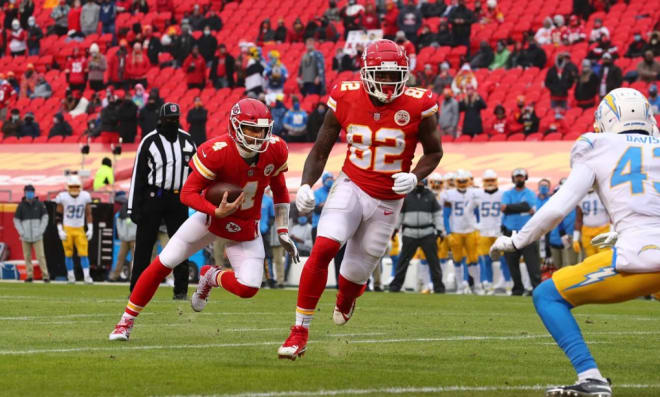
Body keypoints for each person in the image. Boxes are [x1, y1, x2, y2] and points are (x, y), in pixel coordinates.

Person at [278, 39, 442, 360]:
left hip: (388, 199)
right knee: (324, 246)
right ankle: (299, 331)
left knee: (353, 275)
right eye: (381, 75)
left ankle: (347, 296)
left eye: (395, 77)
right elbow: (322, 147)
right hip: (351, 183)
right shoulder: (346, 95)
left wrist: (416, 176)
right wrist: (307, 185)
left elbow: (434, 151)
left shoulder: (419, 104)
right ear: (366, 73)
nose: (388, 83)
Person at [491, 87, 660, 397]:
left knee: (547, 295)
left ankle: (590, 377)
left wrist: (517, 241)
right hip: (644, 244)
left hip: (643, 255)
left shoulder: (597, 144)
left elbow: (557, 207)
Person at [109, 98, 298, 341]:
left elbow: (281, 190)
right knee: (162, 263)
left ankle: (211, 276)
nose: (258, 135)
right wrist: (214, 211)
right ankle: (125, 322)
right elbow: (188, 193)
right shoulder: (216, 151)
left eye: (263, 129)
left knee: (249, 288)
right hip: (210, 219)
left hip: (246, 225)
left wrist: (283, 230)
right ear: (235, 127)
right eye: (251, 129)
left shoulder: (275, 149)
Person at [124, 103, 197, 301]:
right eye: (169, 119)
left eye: (176, 119)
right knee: (144, 247)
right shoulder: (149, 141)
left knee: (182, 244)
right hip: (153, 197)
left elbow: (197, 173)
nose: (172, 122)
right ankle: (136, 291)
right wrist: (133, 207)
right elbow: (137, 177)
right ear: (162, 119)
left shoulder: (188, 141)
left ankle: (180, 290)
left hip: (178, 198)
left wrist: (197, 199)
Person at [389, 179, 445, 293]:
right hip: (410, 232)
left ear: (425, 183)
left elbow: (437, 215)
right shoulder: (406, 196)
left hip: (427, 232)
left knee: (434, 261)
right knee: (403, 260)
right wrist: (395, 228)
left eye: (421, 182)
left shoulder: (431, 196)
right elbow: (400, 214)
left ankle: (439, 287)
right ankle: (395, 286)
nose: (420, 184)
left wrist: (439, 230)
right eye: (418, 182)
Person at [499, 168, 540, 295]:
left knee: (532, 263)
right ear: (513, 178)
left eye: (521, 177)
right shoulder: (507, 193)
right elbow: (504, 208)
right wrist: (522, 207)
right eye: (517, 177)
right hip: (510, 232)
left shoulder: (530, 193)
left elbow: (530, 207)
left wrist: (511, 208)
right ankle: (517, 288)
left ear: (525, 177)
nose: (519, 179)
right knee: (512, 263)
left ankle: (536, 289)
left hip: (527, 232)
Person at [442, 169, 480, 294]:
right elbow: (446, 215)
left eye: (464, 180)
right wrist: (448, 232)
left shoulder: (474, 193)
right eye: (460, 180)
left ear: (468, 181)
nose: (463, 182)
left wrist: (478, 226)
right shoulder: (449, 194)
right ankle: (460, 286)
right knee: (457, 259)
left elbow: (477, 212)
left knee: (474, 259)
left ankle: (477, 286)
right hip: (456, 230)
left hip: (471, 230)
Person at [55, 175, 94, 284]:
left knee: (84, 253)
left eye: (76, 186)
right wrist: (60, 229)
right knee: (68, 253)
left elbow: (88, 213)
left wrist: (90, 228)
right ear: (68, 187)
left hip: (80, 228)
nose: (74, 189)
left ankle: (87, 276)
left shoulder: (85, 196)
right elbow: (58, 215)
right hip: (67, 228)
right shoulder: (63, 197)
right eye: (72, 187)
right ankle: (71, 276)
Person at [471, 169, 504, 294]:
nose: (490, 183)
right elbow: (468, 210)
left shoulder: (502, 194)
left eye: (492, 180)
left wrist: (503, 225)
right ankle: (487, 283)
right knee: (484, 258)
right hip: (484, 231)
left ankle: (504, 283)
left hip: (498, 231)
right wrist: (475, 224)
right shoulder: (477, 194)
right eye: (487, 180)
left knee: (503, 259)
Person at [13, 185, 49, 283]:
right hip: (25, 236)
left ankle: (45, 275)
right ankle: (29, 276)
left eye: (31, 191)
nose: (30, 193)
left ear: (34, 193)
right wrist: (22, 232)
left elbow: (45, 218)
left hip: (38, 236)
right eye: (28, 192)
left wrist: (41, 230)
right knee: (27, 256)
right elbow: (16, 220)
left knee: (40, 256)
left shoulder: (40, 204)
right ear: (24, 193)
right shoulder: (21, 206)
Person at [573, 189, 610, 259]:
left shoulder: (603, 194)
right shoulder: (580, 197)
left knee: (604, 258)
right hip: (587, 232)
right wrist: (575, 238)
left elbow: (612, 214)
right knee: (591, 259)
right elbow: (578, 219)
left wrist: (613, 231)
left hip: (603, 230)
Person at [108, 195, 136, 282]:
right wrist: (121, 235)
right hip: (125, 239)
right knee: (120, 258)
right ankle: (114, 277)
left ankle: (133, 278)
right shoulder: (123, 210)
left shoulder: (135, 208)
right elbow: (119, 223)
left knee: (133, 259)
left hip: (134, 238)